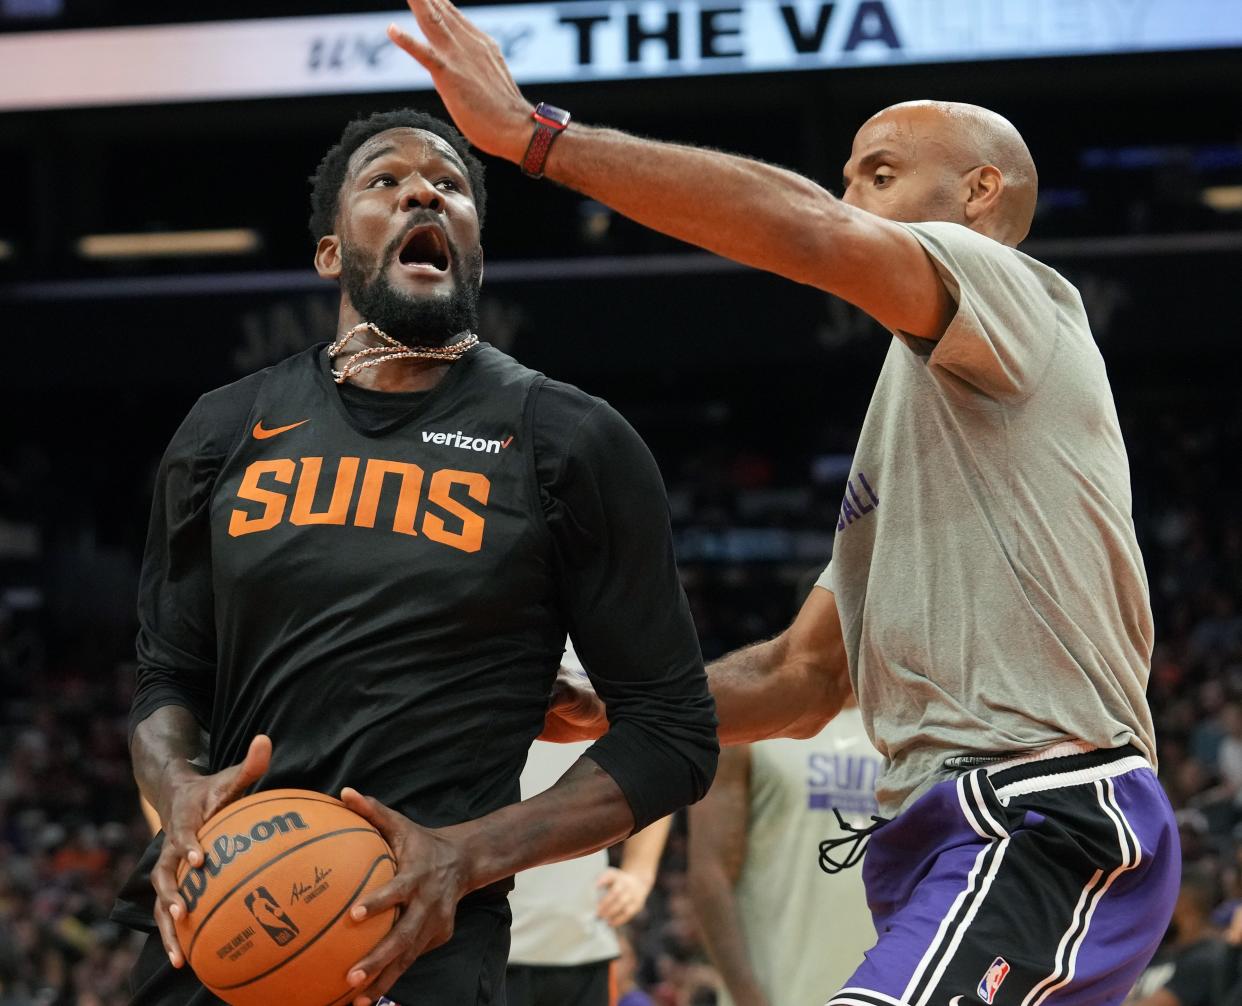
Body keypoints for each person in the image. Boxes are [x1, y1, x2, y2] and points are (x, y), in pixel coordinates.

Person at [387, 2, 1181, 1002]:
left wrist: (537, 139)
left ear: (980, 193)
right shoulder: (926, 432)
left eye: (879, 174)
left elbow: (807, 227)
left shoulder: (1016, 290)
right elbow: (801, 677)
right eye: (848, 176)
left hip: (1042, 811)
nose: (848, 193)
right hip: (948, 838)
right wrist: (612, 707)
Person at [111, 106, 718, 1006]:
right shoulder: (225, 428)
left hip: (418, 938)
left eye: (450, 186)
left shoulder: (569, 440)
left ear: (471, 251)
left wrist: (472, 853)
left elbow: (674, 734)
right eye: (384, 182)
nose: (423, 191)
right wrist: (177, 783)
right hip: (220, 919)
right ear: (331, 253)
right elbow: (168, 679)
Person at [688, 693, 880, 1006]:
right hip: (777, 994)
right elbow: (710, 874)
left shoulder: (909, 718)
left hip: (887, 990)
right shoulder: (751, 717)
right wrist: (746, 997)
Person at [506, 643, 672, 1006]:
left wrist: (639, 871)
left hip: (581, 944)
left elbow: (663, 744)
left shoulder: (598, 637)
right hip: (479, 941)